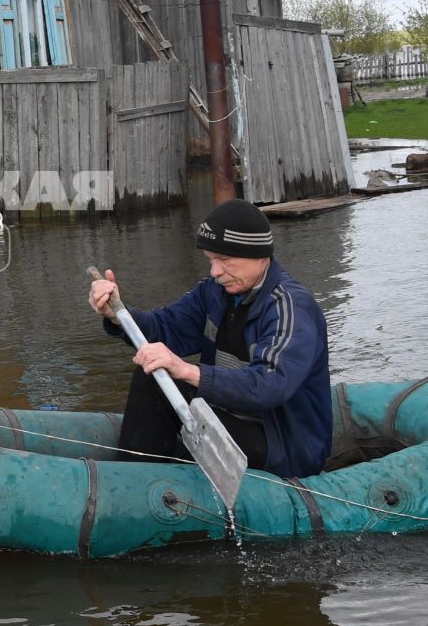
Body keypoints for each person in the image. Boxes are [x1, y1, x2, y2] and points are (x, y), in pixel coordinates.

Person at [87, 199, 332, 479]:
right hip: (226, 415)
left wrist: (190, 371)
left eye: (225, 260)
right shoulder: (214, 292)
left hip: (283, 443)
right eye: (211, 260)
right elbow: (165, 327)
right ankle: (131, 484)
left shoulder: (291, 308)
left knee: (178, 389)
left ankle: (159, 483)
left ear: (261, 257)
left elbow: (270, 384)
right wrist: (118, 314)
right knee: (150, 375)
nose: (215, 271)